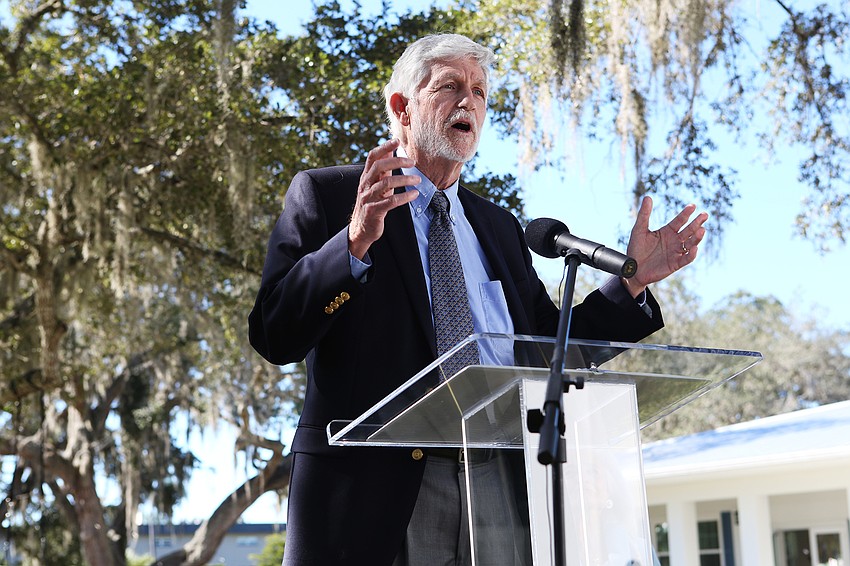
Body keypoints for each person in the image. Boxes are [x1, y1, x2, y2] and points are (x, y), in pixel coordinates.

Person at [248, 33, 707, 566]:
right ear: (402, 107)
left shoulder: (498, 227)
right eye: (450, 87)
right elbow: (275, 335)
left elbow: (546, 350)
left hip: (499, 478)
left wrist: (631, 283)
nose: (469, 102)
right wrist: (353, 241)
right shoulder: (331, 197)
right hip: (377, 492)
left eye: (481, 92)